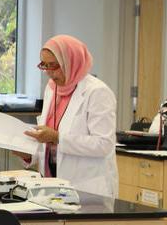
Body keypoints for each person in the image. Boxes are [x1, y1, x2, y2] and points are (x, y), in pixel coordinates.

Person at [19, 34, 118, 198]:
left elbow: (103, 144)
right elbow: (48, 141)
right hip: (51, 183)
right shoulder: (52, 89)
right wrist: (30, 156)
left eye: (54, 66)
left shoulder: (97, 92)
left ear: (71, 62)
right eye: (45, 65)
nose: (49, 73)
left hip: (88, 187)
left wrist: (58, 137)